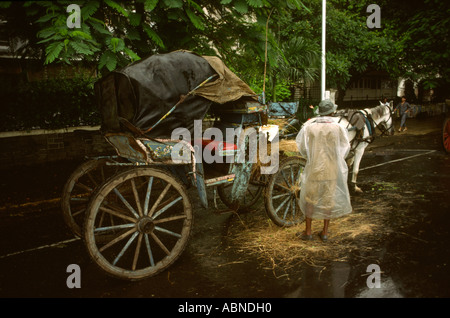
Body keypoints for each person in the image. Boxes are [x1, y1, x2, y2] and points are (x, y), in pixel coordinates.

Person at [295, 99, 353, 242]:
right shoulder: (338, 127)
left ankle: (308, 232)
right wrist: (335, 158)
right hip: (331, 168)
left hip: (314, 168)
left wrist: (311, 157)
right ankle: (325, 232)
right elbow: (345, 148)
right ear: (332, 112)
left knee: (310, 200)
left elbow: (302, 148)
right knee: (328, 199)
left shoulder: (309, 128)